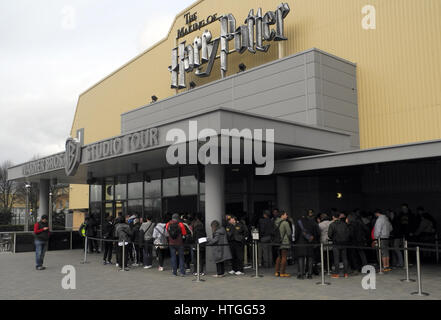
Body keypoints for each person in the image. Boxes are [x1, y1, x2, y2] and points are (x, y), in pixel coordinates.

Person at [295, 214, 320, 279]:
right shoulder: (312, 222)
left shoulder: (298, 222)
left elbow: (296, 234)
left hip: (301, 243)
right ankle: (309, 274)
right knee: (310, 258)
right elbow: (316, 233)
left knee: (301, 258)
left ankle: (301, 274)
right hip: (309, 242)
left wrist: (295, 241)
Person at [328, 212, 350, 278]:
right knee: (345, 258)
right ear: (339, 217)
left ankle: (336, 274)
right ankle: (346, 273)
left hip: (336, 243)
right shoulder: (344, 224)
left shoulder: (332, 224)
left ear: (333, 217)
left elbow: (329, 234)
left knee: (336, 259)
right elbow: (348, 233)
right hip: (344, 243)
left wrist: (333, 238)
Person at [274, 211, 292, 277]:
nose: (286, 216)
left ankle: (276, 271)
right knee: (284, 257)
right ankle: (282, 272)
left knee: (279, 256)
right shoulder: (285, 223)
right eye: (285, 214)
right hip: (284, 241)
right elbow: (289, 233)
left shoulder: (276, 222)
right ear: (282, 215)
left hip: (277, 241)